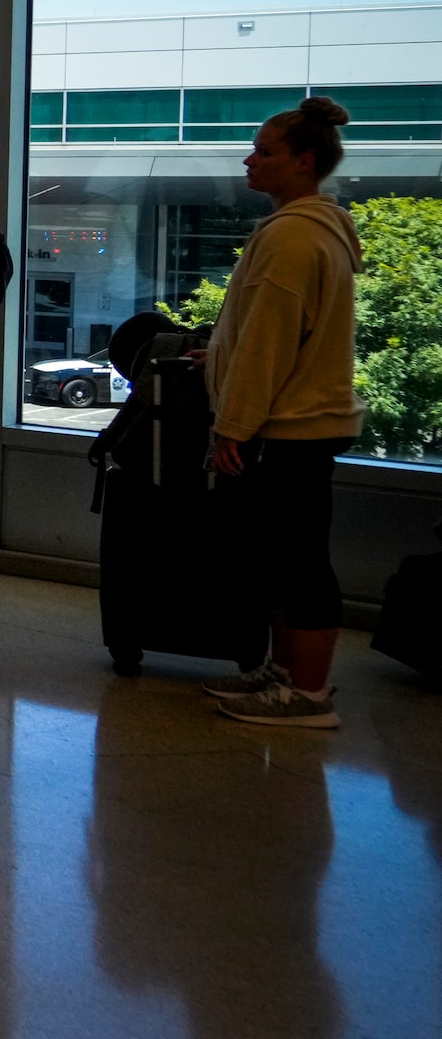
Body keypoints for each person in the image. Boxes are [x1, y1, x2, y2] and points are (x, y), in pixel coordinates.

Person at [199, 98, 363, 731]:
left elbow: (268, 346)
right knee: (280, 559)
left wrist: (230, 428)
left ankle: (310, 694)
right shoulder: (312, 227)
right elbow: (268, 335)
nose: (250, 159)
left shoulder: (293, 237)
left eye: (265, 151)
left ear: (305, 162)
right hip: (302, 422)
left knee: (299, 562)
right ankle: (286, 673)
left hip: (291, 428)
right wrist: (212, 355)